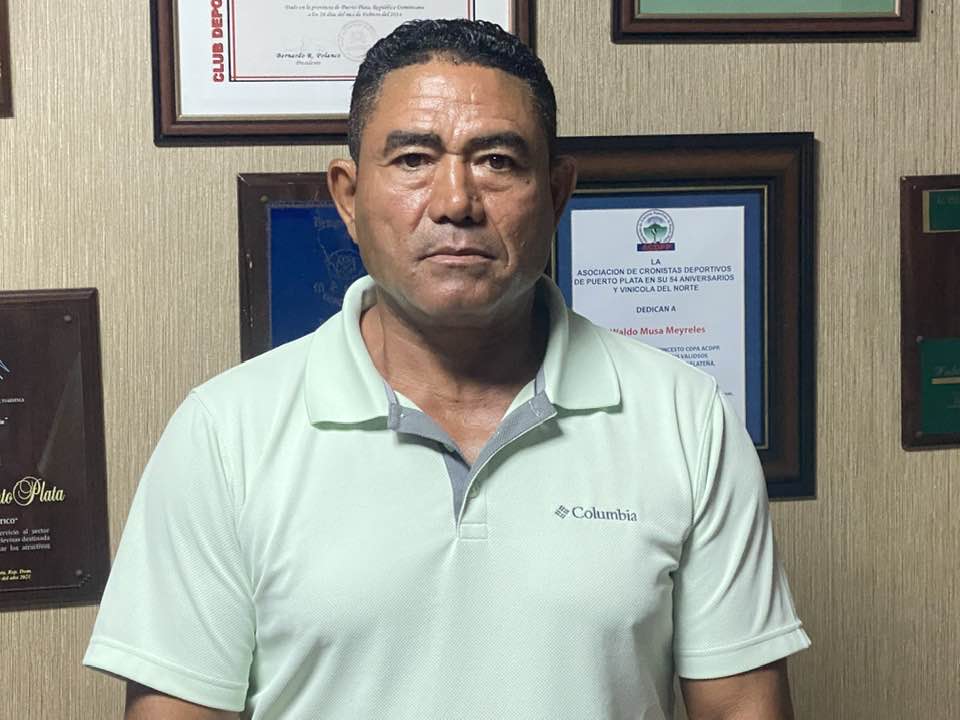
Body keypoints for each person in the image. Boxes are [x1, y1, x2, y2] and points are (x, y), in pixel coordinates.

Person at [84, 18, 809, 720]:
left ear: (556, 193)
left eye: (497, 161)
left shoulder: (688, 419)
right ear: (348, 196)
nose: (456, 202)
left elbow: (740, 708)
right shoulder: (223, 435)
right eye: (412, 160)